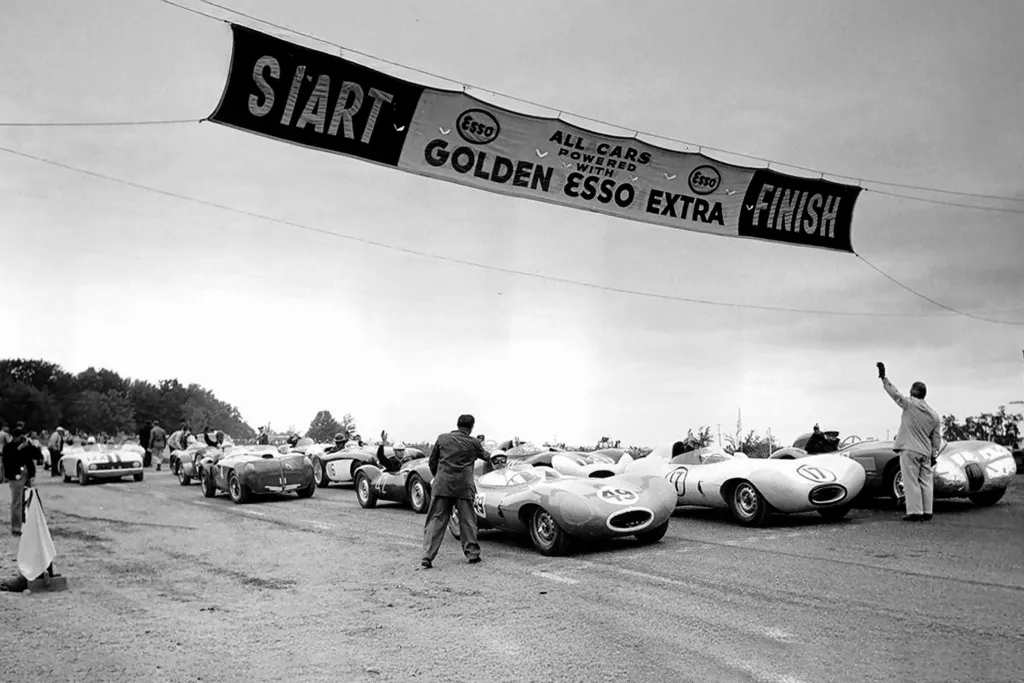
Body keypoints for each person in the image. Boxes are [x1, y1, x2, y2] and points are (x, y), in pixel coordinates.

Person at [421, 414, 495, 569]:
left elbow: (432, 461)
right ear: (471, 427)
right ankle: (472, 554)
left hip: (442, 485)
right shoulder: (474, 443)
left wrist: (439, 477)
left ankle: (427, 556)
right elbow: (487, 457)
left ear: (457, 424)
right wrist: (482, 446)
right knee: (467, 521)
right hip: (464, 487)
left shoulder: (442, 438)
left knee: (436, 519)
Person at [877, 362, 941, 522]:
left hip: (910, 449)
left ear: (912, 392)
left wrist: (884, 378)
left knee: (911, 480)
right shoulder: (934, 415)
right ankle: (927, 511)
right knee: (926, 481)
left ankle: (915, 512)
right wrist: (934, 453)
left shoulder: (910, 404)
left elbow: (895, 394)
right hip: (926, 451)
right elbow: (936, 438)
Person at [2, 426, 41, 536]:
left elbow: (38, 456)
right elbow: (8, 461)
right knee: (17, 501)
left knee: (27, 499)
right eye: (20, 437)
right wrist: (18, 449)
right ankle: (16, 527)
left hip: (27, 473)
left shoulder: (26, 446)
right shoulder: (8, 447)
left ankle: (26, 523)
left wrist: (31, 445)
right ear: (14, 437)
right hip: (16, 475)